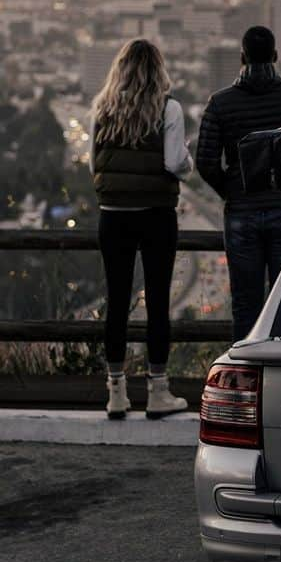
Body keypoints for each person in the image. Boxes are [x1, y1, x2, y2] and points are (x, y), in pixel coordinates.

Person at [196, 24, 281, 340]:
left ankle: (244, 376)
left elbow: (206, 162)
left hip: (242, 213)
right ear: (276, 55)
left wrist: (232, 191)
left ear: (242, 57)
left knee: (246, 306)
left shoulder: (220, 103)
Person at [89, 39, 192, 419]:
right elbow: (173, 162)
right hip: (155, 215)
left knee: (116, 302)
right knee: (158, 303)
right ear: (158, 70)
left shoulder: (102, 109)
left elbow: (93, 167)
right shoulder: (170, 109)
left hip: (112, 214)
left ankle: (116, 392)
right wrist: (188, 164)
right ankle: (158, 391)